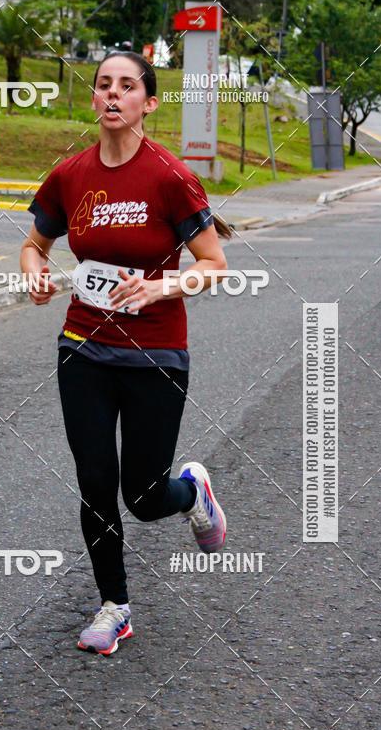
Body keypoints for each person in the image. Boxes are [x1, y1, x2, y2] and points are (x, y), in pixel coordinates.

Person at [20, 51, 230, 656]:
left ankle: (191, 493)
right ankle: (114, 606)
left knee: (141, 497)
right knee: (95, 483)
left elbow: (215, 265)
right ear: (94, 99)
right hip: (83, 346)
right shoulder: (70, 175)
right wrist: (35, 273)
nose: (114, 94)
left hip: (156, 354)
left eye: (128, 86)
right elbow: (34, 244)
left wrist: (162, 284)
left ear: (149, 102)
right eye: (104, 85)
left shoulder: (170, 176)